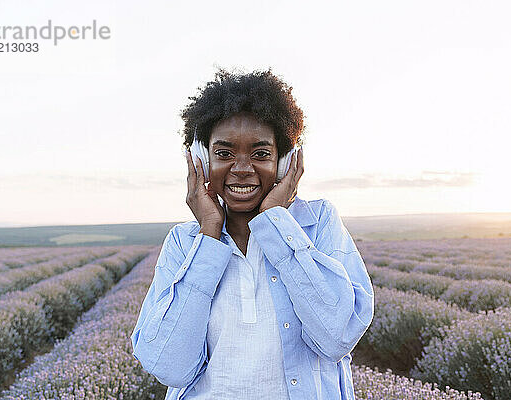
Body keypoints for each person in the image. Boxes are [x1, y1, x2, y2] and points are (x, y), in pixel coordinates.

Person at [131, 68, 374, 400]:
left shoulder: (316, 224)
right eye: (224, 153)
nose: (242, 169)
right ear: (202, 160)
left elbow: (336, 336)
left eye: (260, 154)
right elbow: (169, 365)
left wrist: (277, 224)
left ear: (285, 162)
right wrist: (209, 235)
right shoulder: (183, 242)